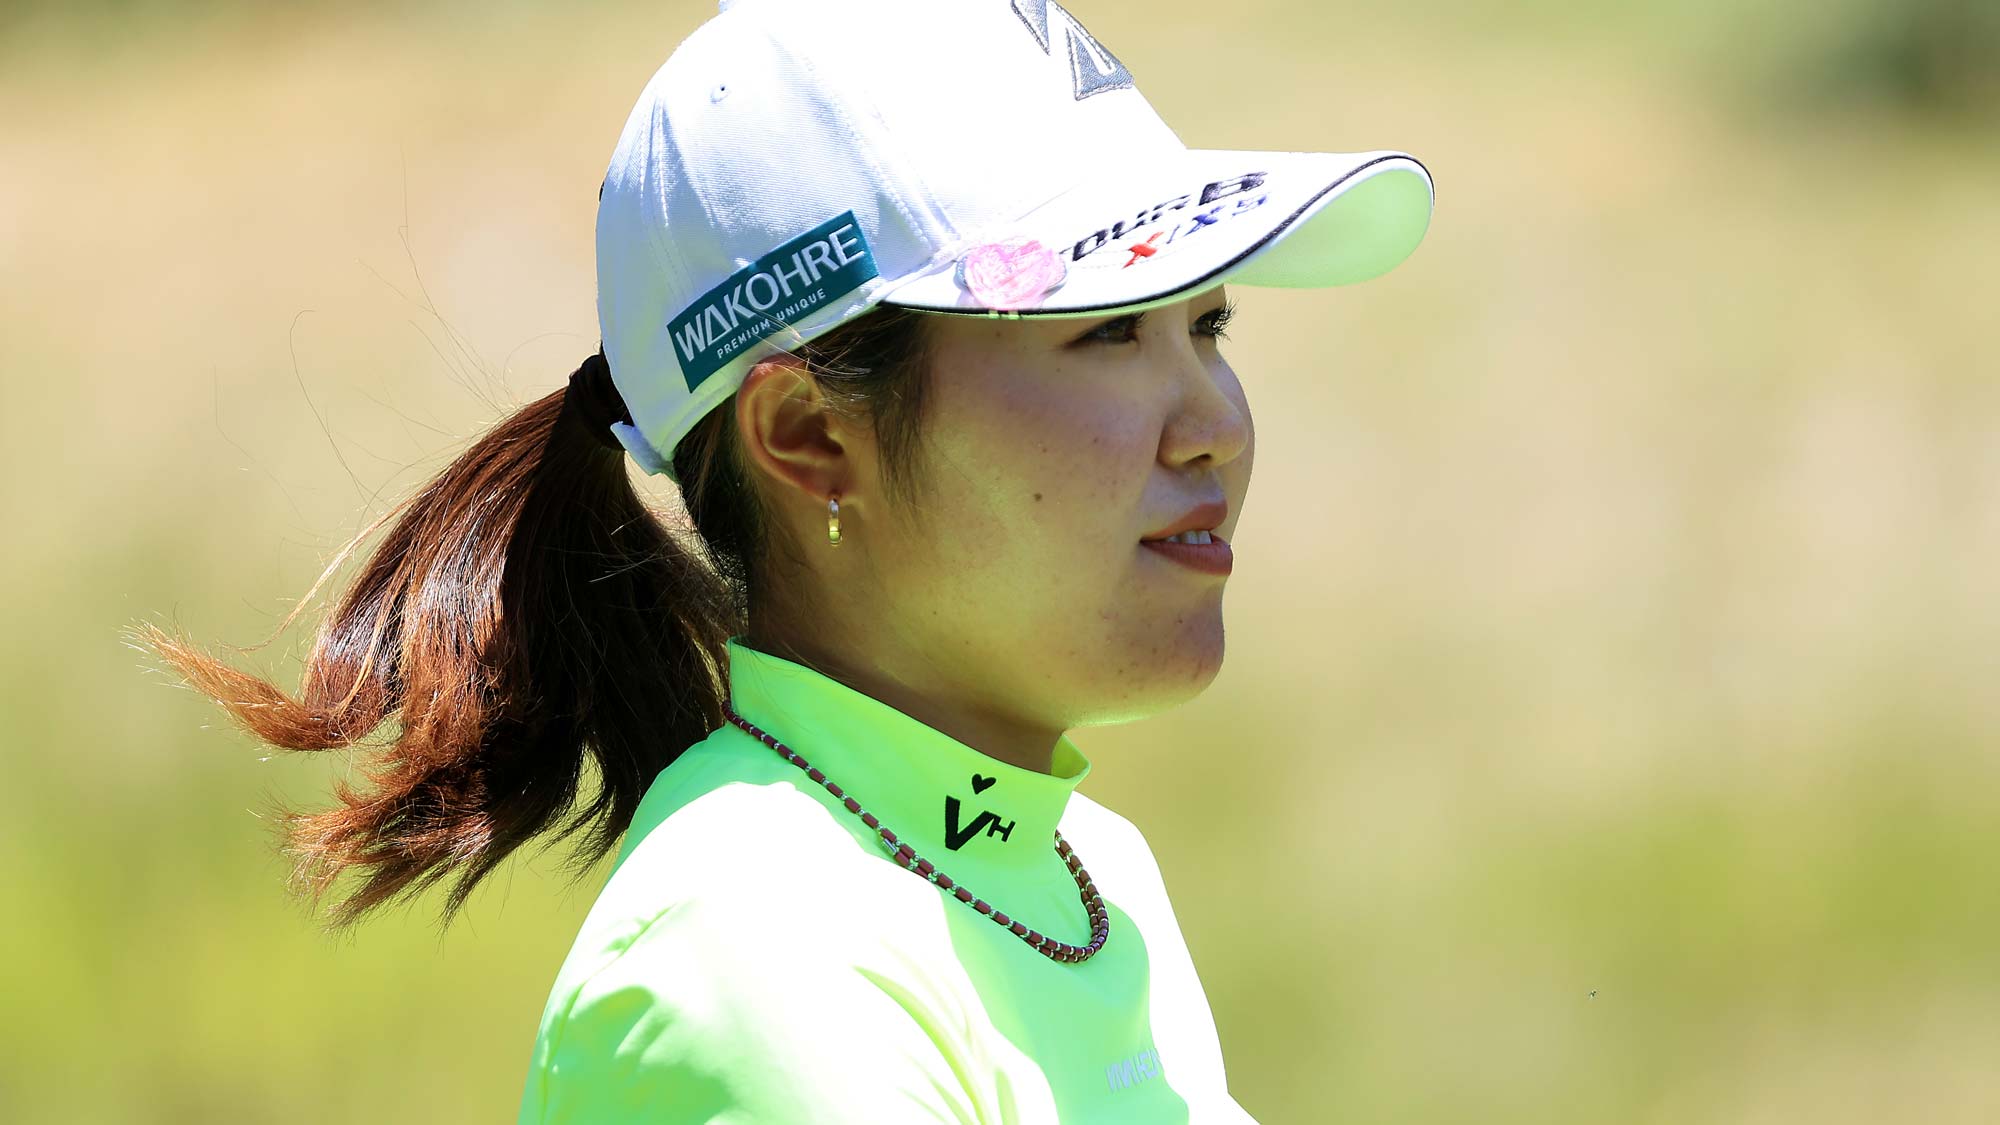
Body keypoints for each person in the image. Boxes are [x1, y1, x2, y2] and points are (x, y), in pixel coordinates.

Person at [148, 0, 1432, 1119]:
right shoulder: (760, 959)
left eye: (1205, 321)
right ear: (809, 437)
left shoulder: (1082, 868)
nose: (1216, 425)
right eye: (1101, 333)